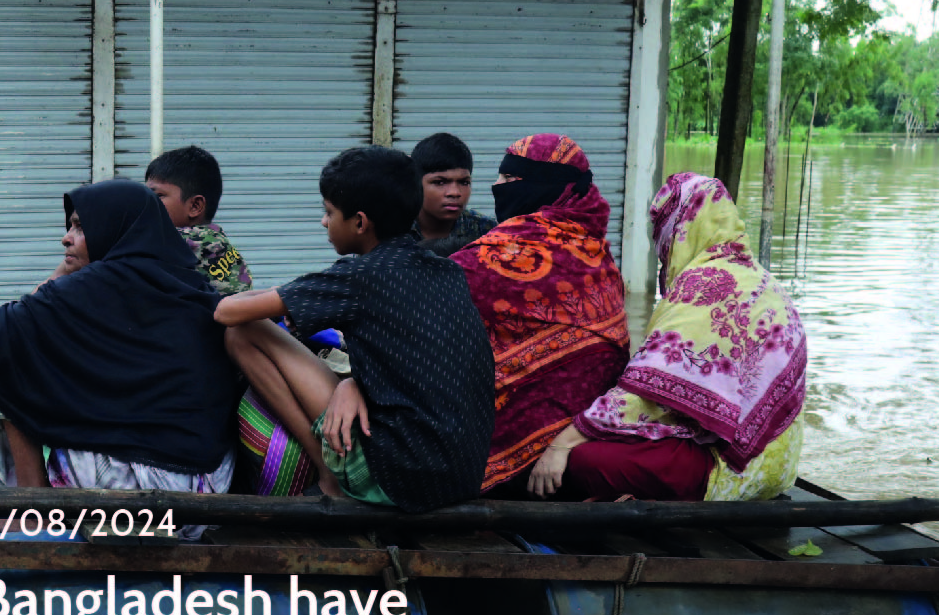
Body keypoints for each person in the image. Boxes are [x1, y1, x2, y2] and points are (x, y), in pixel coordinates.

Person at [213, 147, 494, 511]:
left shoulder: (359, 276)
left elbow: (228, 311)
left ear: (360, 223)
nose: (324, 222)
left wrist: (276, 294)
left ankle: (329, 475)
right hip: (462, 478)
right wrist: (351, 382)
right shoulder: (447, 271)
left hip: (396, 480)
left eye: (329, 212)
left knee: (242, 333)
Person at [528, 172, 808, 502]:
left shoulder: (703, 286)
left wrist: (563, 442)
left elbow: (646, 394)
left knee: (584, 460)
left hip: (727, 470)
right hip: (777, 470)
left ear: (679, 226)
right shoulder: (765, 281)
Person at [0, 179, 240, 495]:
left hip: (133, 494)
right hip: (206, 489)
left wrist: (62, 273)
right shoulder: (192, 285)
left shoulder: (93, 286)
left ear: (111, 230)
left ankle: (30, 502)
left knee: (7, 356)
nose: (65, 239)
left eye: (80, 227)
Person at [450, 133, 631, 494]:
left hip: (513, 445)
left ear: (541, 186)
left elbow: (428, 298)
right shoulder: (596, 251)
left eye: (508, 180)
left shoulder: (499, 253)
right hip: (581, 433)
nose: (496, 186)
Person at [144, 145, 254, 294]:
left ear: (195, 206)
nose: (147, 203)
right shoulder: (217, 237)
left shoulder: (181, 240)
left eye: (158, 196)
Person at [412, 132, 497, 257]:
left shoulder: (486, 232)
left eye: (464, 182)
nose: (455, 193)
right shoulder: (391, 229)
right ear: (416, 183)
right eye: (440, 182)